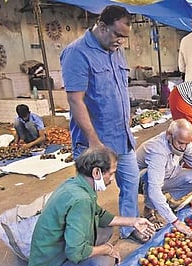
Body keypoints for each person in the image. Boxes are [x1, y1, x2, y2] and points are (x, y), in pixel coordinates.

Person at [28, 147, 155, 266]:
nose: (112, 180)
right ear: (96, 172)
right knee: (103, 263)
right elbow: (76, 252)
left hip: (50, 259)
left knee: (104, 230)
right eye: (110, 173)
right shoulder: (81, 200)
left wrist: (133, 221)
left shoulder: (76, 185)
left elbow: (101, 215)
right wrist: (106, 249)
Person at [60, 5, 141, 241]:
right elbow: (75, 101)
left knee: (130, 182)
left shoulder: (115, 49)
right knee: (89, 192)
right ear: (102, 26)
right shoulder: (77, 53)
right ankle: (83, 238)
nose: (121, 42)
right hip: (95, 141)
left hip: (122, 136)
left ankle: (129, 227)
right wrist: (94, 143)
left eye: (124, 38)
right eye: (117, 35)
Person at [137, 119, 192, 236]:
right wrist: (175, 222)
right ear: (169, 135)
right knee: (152, 183)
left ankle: (167, 200)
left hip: (167, 174)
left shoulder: (184, 143)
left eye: (186, 144)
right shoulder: (157, 150)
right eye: (180, 143)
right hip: (140, 181)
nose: (183, 147)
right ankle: (149, 208)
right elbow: (154, 189)